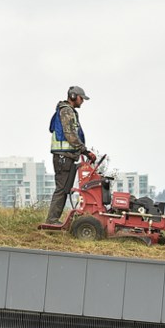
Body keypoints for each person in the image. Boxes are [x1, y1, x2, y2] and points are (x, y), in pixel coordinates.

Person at [45, 85, 94, 224]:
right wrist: (85, 151)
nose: (82, 101)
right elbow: (70, 135)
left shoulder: (68, 111)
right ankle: (52, 220)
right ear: (73, 96)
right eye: (81, 98)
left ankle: (53, 219)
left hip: (66, 157)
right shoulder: (66, 111)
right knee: (61, 190)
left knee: (64, 190)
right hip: (63, 157)